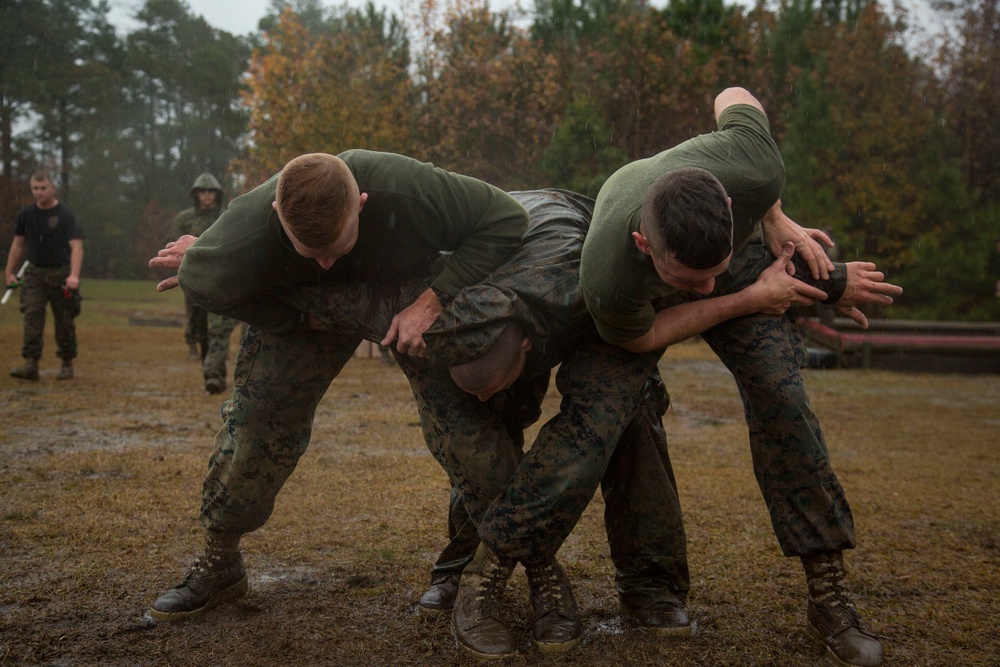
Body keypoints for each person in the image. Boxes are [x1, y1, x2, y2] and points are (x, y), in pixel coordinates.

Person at [562, 86, 899, 667]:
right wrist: (741, 299)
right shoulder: (611, 274)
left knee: (783, 397)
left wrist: (772, 213)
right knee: (625, 412)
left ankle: (829, 593)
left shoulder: (754, 165)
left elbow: (732, 93)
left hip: (720, 245)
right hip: (643, 295)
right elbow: (641, 335)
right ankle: (653, 589)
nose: (707, 289)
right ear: (648, 246)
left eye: (713, 277)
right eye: (696, 281)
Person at [288, 188, 688, 656]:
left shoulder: (593, 283)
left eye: (489, 384)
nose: (479, 395)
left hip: (581, 292)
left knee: (627, 415)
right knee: (475, 436)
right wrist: (213, 256)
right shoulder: (425, 293)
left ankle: (651, 582)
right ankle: (468, 564)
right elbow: (320, 291)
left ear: (526, 349)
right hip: (495, 293)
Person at [145, 151, 528, 622]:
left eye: (336, 246)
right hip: (307, 310)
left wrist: (435, 299)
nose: (326, 262)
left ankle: (474, 563)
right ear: (277, 217)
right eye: (311, 250)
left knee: (466, 425)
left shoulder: (407, 189)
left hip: (408, 293)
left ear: (362, 205)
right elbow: (202, 283)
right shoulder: (243, 231)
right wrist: (296, 318)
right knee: (256, 422)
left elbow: (508, 219)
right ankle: (219, 560)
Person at [6, 172, 84, 381]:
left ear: (52, 188)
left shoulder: (65, 215)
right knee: (32, 315)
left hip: (61, 274)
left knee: (64, 320)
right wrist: (9, 272)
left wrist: (74, 276)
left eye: (43, 188)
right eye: (35, 188)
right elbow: (18, 244)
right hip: (34, 274)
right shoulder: (26, 215)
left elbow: (76, 247)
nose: (39, 193)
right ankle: (31, 363)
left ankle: (66, 362)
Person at [169, 173, 241, 393]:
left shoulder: (227, 216)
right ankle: (209, 369)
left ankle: (214, 376)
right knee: (199, 328)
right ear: (196, 194)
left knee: (218, 329)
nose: (207, 195)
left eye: (211, 191)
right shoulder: (184, 219)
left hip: (221, 281)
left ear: (217, 194)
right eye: (203, 191)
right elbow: (173, 246)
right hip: (193, 282)